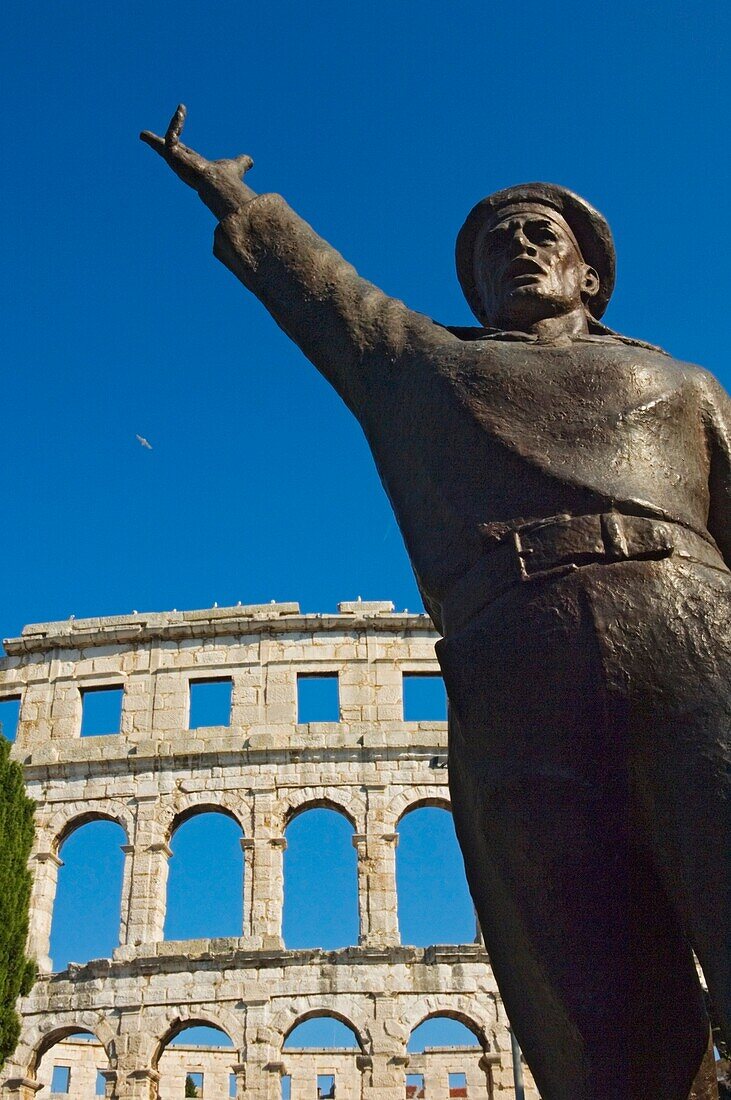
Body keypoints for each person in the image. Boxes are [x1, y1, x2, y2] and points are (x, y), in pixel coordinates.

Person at [142, 106, 731, 1100]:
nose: (515, 246)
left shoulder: (680, 379)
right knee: (595, 993)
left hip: (690, 630)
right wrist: (235, 196)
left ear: (589, 271)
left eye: (541, 233)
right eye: (493, 243)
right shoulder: (429, 368)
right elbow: (327, 295)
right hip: (517, 665)